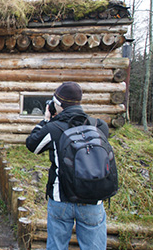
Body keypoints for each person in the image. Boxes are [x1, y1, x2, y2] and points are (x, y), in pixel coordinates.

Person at [25, 82, 110, 250]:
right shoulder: (99, 126)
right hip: (93, 198)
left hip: (61, 198)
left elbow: (32, 145)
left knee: (57, 246)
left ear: (58, 104)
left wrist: (46, 120)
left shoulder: (54, 128)